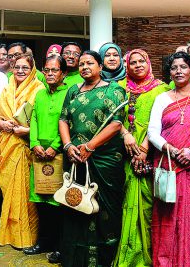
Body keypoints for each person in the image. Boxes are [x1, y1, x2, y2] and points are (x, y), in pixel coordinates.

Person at [58, 50, 127, 267]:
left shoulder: (114, 90)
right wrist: (68, 145)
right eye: (81, 64)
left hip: (105, 159)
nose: (85, 67)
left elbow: (116, 123)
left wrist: (90, 146)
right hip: (74, 158)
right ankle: (73, 258)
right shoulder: (73, 91)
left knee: (104, 210)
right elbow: (63, 119)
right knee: (74, 204)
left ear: (100, 66)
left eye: (90, 63)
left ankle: (102, 260)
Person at [147, 52, 190, 267]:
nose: (178, 71)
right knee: (167, 217)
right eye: (174, 68)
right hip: (168, 165)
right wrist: (170, 149)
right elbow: (153, 131)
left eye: (183, 67)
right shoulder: (162, 99)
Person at [114, 49, 170, 267]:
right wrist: (126, 134)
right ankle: (128, 254)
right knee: (125, 201)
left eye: (141, 61)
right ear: (126, 66)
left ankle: (148, 256)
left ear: (149, 63)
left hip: (151, 152)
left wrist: (145, 147)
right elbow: (115, 119)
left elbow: (165, 123)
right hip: (123, 152)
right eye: (133, 62)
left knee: (148, 205)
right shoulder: (119, 89)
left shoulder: (162, 90)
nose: (137, 65)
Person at [0, 53, 44, 249]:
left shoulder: (39, 89)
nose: (20, 71)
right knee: (9, 193)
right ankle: (9, 234)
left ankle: (26, 237)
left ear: (32, 70)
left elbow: (41, 121)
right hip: (6, 145)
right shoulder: (7, 88)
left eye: (25, 68)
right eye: (17, 67)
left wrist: (23, 130)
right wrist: (0, 123)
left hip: (24, 146)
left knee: (24, 194)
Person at [26, 54, 70, 259]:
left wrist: (55, 146)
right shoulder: (40, 94)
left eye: (55, 70)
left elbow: (68, 122)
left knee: (58, 202)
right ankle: (43, 243)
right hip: (39, 155)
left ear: (64, 73)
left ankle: (60, 247)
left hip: (59, 155)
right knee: (41, 201)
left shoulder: (70, 93)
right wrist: (34, 144)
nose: (50, 74)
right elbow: (33, 119)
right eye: (47, 70)